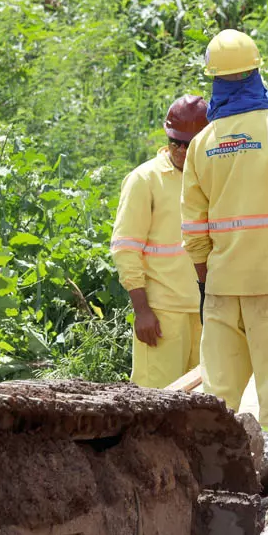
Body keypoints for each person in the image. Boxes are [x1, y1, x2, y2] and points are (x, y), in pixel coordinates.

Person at [182, 29, 268, 430]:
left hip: (224, 287)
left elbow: (193, 229)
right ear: (256, 74)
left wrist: (209, 281)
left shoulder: (201, 143)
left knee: (217, 400)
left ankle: (214, 483)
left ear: (215, 81)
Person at [111, 95, 209, 388]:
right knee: (158, 401)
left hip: (207, 310)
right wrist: (142, 310)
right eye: (174, 141)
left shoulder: (213, 178)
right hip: (163, 314)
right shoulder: (144, 180)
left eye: (188, 144)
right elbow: (125, 248)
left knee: (207, 404)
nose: (180, 150)